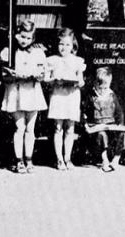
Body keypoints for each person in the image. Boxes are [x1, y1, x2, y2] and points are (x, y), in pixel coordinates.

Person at [1, 19, 47, 174]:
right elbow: (3, 76)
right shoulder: (9, 52)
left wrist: (37, 75)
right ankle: (18, 160)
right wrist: (14, 75)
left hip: (32, 93)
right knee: (19, 127)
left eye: (28, 38)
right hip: (16, 92)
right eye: (22, 36)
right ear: (16, 35)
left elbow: (43, 75)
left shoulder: (38, 53)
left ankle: (29, 159)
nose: (24, 41)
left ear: (33, 39)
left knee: (30, 128)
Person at [44, 28, 85, 170]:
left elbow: (81, 81)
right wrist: (53, 79)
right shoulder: (52, 60)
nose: (64, 48)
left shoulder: (77, 61)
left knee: (70, 128)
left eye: (67, 45)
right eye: (61, 44)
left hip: (72, 96)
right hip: (58, 95)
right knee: (58, 127)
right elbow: (46, 79)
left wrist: (77, 82)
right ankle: (59, 159)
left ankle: (68, 157)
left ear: (73, 45)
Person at [81, 67, 125, 172]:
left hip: (111, 124)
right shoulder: (91, 97)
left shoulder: (111, 95)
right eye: (100, 88)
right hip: (97, 126)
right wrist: (86, 124)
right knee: (101, 135)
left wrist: (120, 123)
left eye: (105, 88)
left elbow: (119, 111)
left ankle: (116, 159)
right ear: (95, 84)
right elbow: (83, 112)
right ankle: (104, 159)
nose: (102, 91)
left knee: (121, 134)